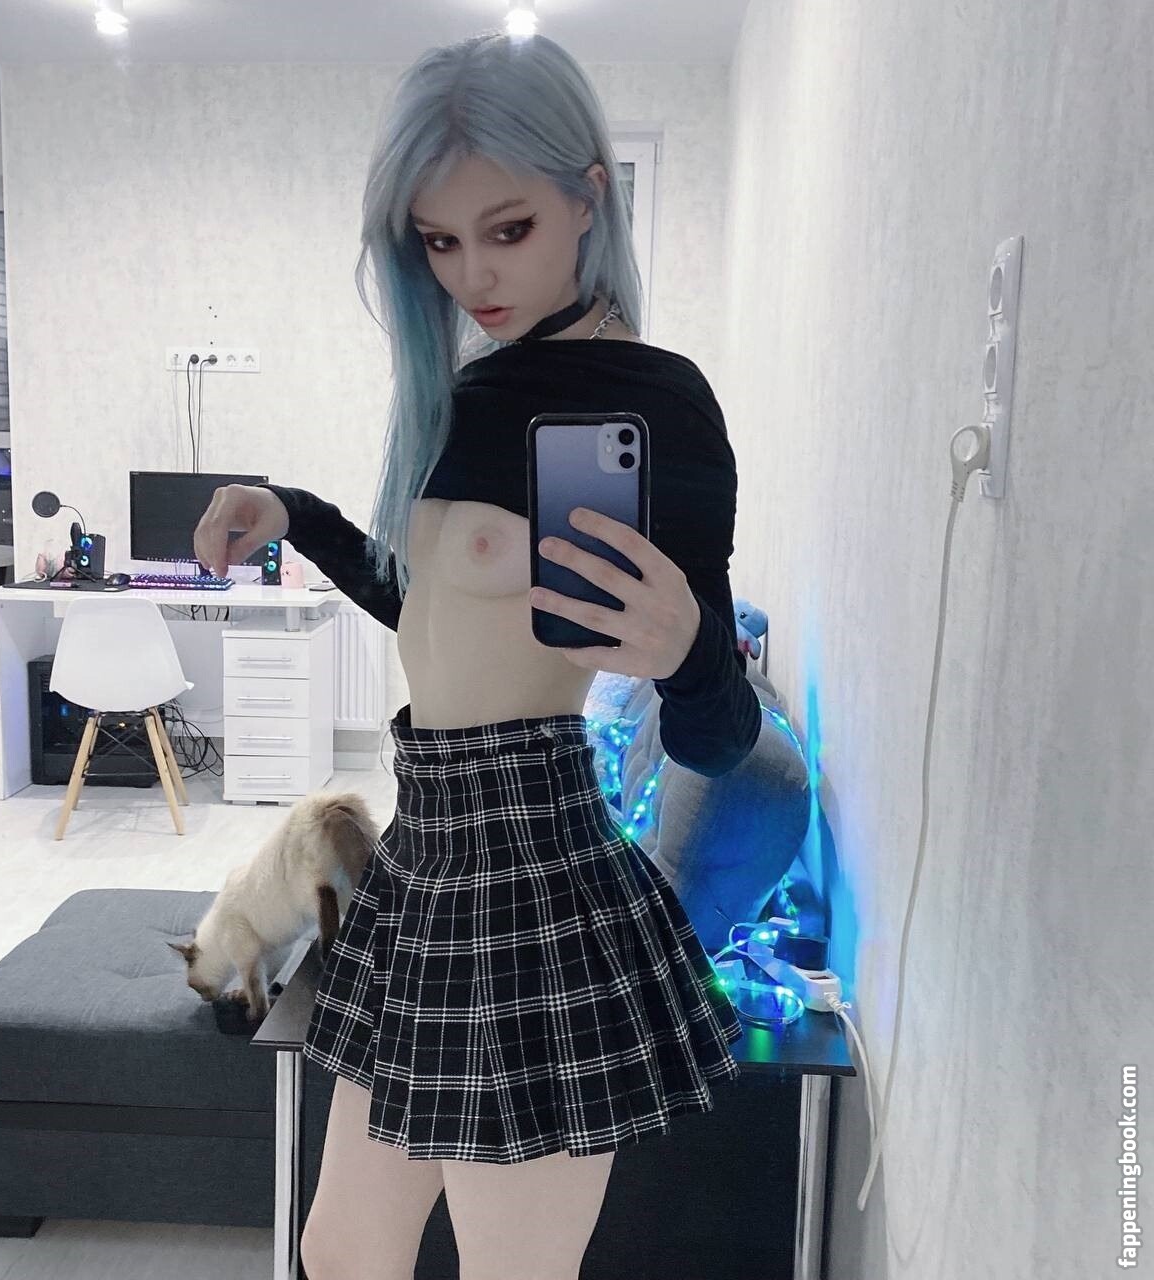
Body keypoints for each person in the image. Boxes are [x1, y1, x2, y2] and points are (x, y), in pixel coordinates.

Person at [193, 29, 762, 1280]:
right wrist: (295, 513)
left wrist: (686, 654)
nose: (471, 274)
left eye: (506, 229)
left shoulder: (658, 406)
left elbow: (721, 739)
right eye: (437, 242)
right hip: (425, 857)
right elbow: (426, 605)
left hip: (535, 872)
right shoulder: (468, 389)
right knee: (340, 1247)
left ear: (588, 196)